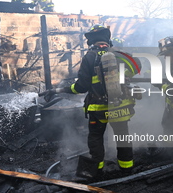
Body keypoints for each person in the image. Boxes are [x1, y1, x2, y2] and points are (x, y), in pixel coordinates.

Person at [40, 24, 141, 176]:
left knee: (96, 138)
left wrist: (58, 90)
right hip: (121, 107)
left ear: (91, 41)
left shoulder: (90, 57)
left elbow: (81, 87)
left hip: (99, 109)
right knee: (122, 137)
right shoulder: (119, 54)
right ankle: (127, 168)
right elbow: (136, 71)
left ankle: (97, 169)